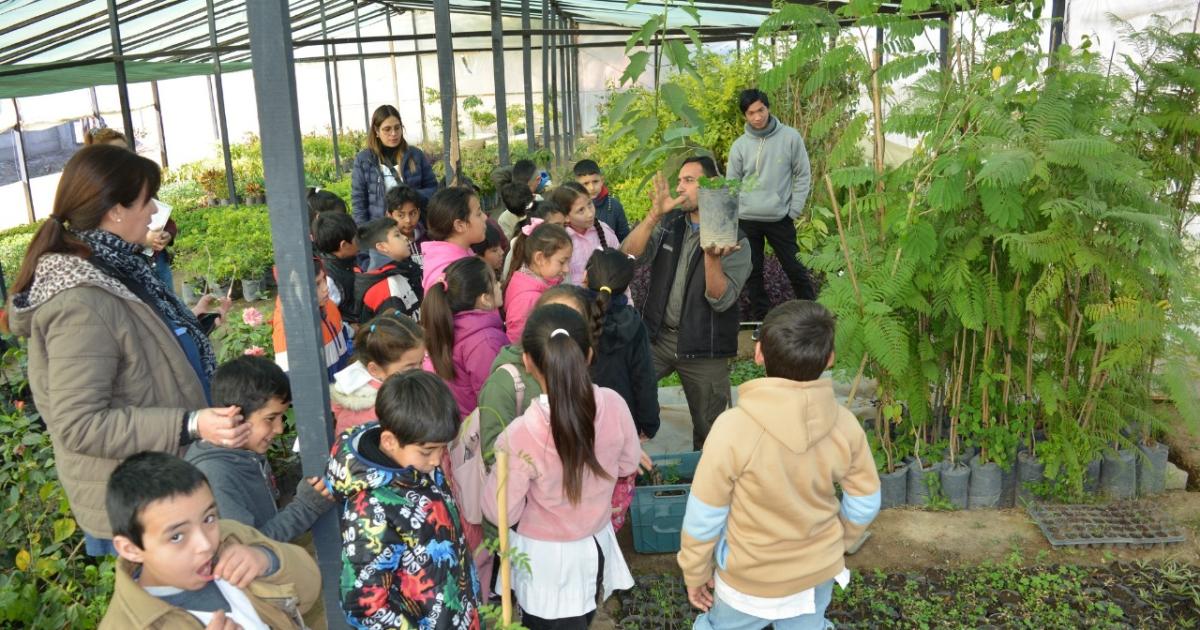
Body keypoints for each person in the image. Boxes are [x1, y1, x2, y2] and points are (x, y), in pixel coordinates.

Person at [7, 145, 246, 556]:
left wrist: (191, 324)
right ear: (115, 211)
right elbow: (79, 423)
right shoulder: (79, 298)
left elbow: (131, 341)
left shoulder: (116, 266)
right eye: (145, 199)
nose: (154, 209)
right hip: (142, 502)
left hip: (160, 481)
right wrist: (190, 424)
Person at [678, 300, 881, 629]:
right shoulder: (844, 425)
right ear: (830, 359)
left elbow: (704, 516)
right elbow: (865, 502)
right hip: (815, 575)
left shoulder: (732, 428)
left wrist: (695, 571)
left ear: (758, 354)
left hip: (746, 580)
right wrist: (839, 540)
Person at [482, 305, 641, 629]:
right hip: (593, 547)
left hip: (543, 563)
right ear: (589, 355)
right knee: (583, 617)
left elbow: (500, 511)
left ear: (526, 361)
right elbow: (628, 463)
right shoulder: (614, 404)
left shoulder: (521, 433)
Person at [328, 371, 481, 629]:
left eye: (442, 448)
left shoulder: (416, 467)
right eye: (428, 451)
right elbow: (363, 605)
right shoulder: (370, 508)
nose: (436, 460)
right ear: (389, 441)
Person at [101, 451, 320, 629]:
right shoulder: (128, 624)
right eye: (176, 536)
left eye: (208, 518)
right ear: (130, 548)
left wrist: (268, 560)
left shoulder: (231, 537)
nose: (205, 544)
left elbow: (310, 589)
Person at [621, 156, 752, 450]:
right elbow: (627, 256)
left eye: (689, 181)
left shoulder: (735, 239)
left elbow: (720, 300)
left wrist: (712, 256)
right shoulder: (670, 225)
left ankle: (707, 489)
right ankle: (627, 470)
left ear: (712, 186)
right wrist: (654, 216)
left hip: (704, 347)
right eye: (679, 180)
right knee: (622, 394)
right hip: (658, 339)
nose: (679, 187)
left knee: (714, 432)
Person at [185, 356, 334, 542]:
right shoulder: (215, 474)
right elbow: (250, 548)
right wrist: (306, 507)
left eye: (281, 417)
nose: (279, 428)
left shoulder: (246, 452)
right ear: (234, 416)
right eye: (270, 418)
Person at [727, 88, 817, 319]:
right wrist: (733, 216)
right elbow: (732, 185)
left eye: (761, 110)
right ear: (745, 116)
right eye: (751, 113)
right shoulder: (739, 146)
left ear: (768, 108)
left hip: (780, 218)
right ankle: (760, 321)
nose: (757, 117)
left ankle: (812, 315)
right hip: (747, 219)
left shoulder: (790, 137)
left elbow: (803, 174)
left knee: (794, 268)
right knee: (752, 273)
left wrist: (793, 210)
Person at [584, 248, 660, 440]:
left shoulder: (570, 314)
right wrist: (649, 423)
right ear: (626, 285)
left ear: (586, 277)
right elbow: (644, 380)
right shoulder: (633, 324)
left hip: (577, 419)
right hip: (622, 422)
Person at [422, 256, 507, 418]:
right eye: (495, 281)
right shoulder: (485, 341)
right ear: (485, 299)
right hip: (479, 427)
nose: (499, 284)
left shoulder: (451, 324)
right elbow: (495, 399)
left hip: (459, 420)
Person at [331, 312, 426, 433]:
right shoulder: (373, 413)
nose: (420, 371)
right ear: (375, 370)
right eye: (410, 367)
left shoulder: (354, 381)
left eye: (421, 362)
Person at [271, 256, 354, 382]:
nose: (325, 288)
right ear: (294, 290)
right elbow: (298, 387)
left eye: (324, 279)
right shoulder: (288, 334)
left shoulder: (328, 305)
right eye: (316, 284)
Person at [351, 104, 437, 223]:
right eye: (387, 129)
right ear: (376, 131)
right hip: (381, 228)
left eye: (397, 128)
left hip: (413, 225)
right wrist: (363, 232)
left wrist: (412, 195)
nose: (393, 133)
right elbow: (359, 202)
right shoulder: (364, 160)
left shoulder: (415, 155)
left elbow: (433, 189)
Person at [503, 220, 572, 344]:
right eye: (562, 262)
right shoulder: (527, 300)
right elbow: (517, 344)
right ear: (539, 258)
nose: (567, 269)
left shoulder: (531, 279)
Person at [354, 216, 422, 321]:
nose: (405, 238)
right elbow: (396, 333)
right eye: (397, 235)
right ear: (382, 247)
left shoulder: (400, 270)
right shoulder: (386, 288)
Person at [422, 186, 488, 292]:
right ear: (460, 225)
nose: (485, 217)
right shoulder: (453, 275)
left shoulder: (459, 256)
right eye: (479, 214)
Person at [555, 182, 617, 286]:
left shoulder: (604, 231)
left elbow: (619, 267)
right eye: (581, 210)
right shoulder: (559, 241)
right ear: (566, 216)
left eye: (589, 204)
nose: (590, 213)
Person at [312, 210, 361, 324]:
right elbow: (329, 314)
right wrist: (350, 329)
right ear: (343, 245)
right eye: (356, 238)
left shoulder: (346, 260)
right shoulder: (330, 278)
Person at [502, 199, 568, 278]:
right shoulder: (522, 250)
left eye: (564, 225)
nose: (563, 231)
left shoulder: (562, 247)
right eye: (556, 226)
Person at [574, 159, 630, 242]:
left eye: (595, 181)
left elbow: (625, 239)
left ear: (602, 181)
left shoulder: (614, 206)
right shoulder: (571, 208)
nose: (592, 188)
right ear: (577, 185)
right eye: (586, 184)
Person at [385, 184, 427, 270]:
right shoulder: (388, 247)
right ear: (389, 216)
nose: (408, 220)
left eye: (413, 213)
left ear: (419, 212)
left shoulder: (429, 238)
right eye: (401, 215)